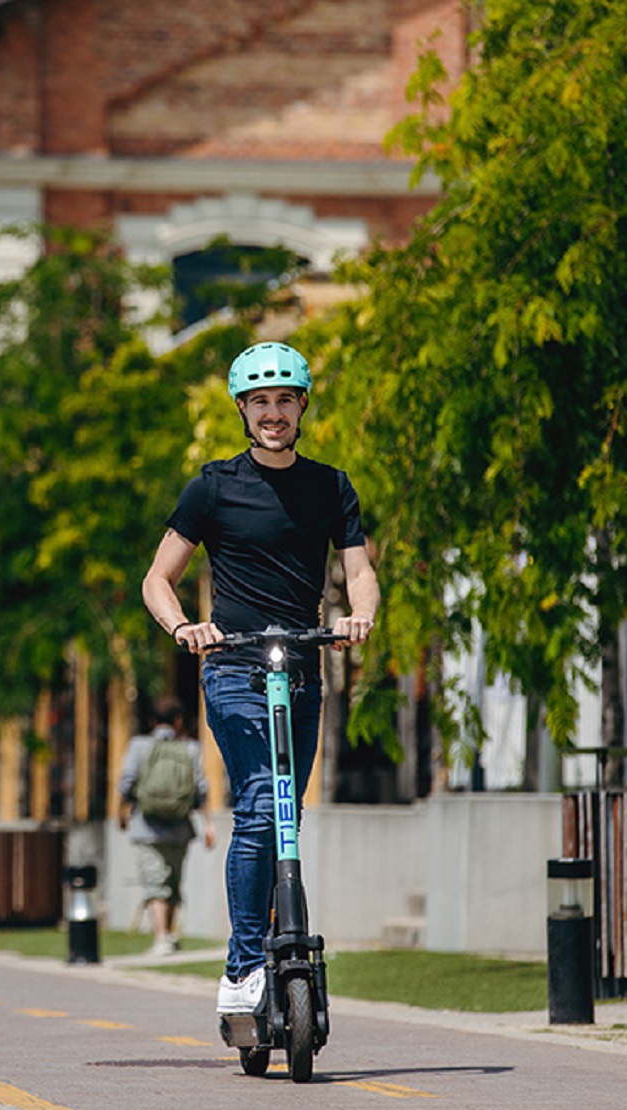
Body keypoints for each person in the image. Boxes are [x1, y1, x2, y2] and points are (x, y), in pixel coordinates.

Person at [141, 340, 379, 1015]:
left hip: (303, 668)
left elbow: (359, 569)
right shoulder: (212, 486)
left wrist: (359, 614)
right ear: (242, 411)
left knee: (287, 814)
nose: (272, 413)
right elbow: (158, 578)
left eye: (283, 400)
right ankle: (244, 965)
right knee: (255, 809)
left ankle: (279, 945)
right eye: (259, 402)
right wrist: (185, 626)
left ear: (302, 405)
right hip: (236, 668)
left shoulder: (331, 486)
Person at [117, 696, 215, 955]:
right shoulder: (191, 748)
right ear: (178, 721)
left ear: (152, 721)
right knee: (172, 881)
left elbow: (126, 782)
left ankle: (162, 937)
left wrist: (121, 811)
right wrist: (208, 824)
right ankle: (169, 935)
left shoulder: (139, 746)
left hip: (146, 825)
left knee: (154, 882)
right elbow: (201, 789)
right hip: (180, 827)